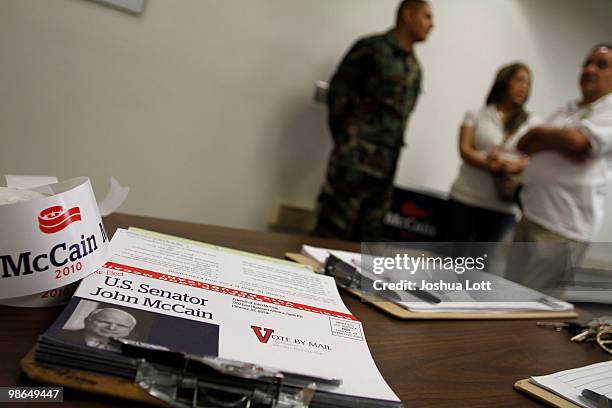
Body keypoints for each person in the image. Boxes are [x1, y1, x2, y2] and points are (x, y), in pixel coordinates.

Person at [313, 0, 433, 241]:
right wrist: (350, 139)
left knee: (364, 246)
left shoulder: (414, 68)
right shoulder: (372, 49)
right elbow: (339, 95)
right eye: (427, 17)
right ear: (408, 15)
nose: (432, 25)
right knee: (330, 235)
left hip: (385, 171)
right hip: (353, 163)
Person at [505, 44, 612, 291]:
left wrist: (542, 134)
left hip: (563, 229)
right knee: (505, 293)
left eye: (601, 65)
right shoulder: (569, 109)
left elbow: (577, 141)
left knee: (532, 309)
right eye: (587, 63)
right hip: (531, 215)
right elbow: (525, 145)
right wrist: (552, 138)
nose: (589, 69)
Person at [444, 63, 539, 245]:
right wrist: (490, 164)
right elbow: (465, 150)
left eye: (528, 84)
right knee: (448, 261)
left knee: (481, 265)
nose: (524, 87)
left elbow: (535, 158)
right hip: (465, 197)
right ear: (504, 81)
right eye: (519, 81)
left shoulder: (533, 122)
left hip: (502, 206)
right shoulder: (476, 114)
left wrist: (513, 165)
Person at [59, 307, 137, 351]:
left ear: (130, 330)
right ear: (87, 321)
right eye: (104, 321)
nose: (111, 328)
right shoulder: (60, 335)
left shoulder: (131, 351)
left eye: (121, 325)